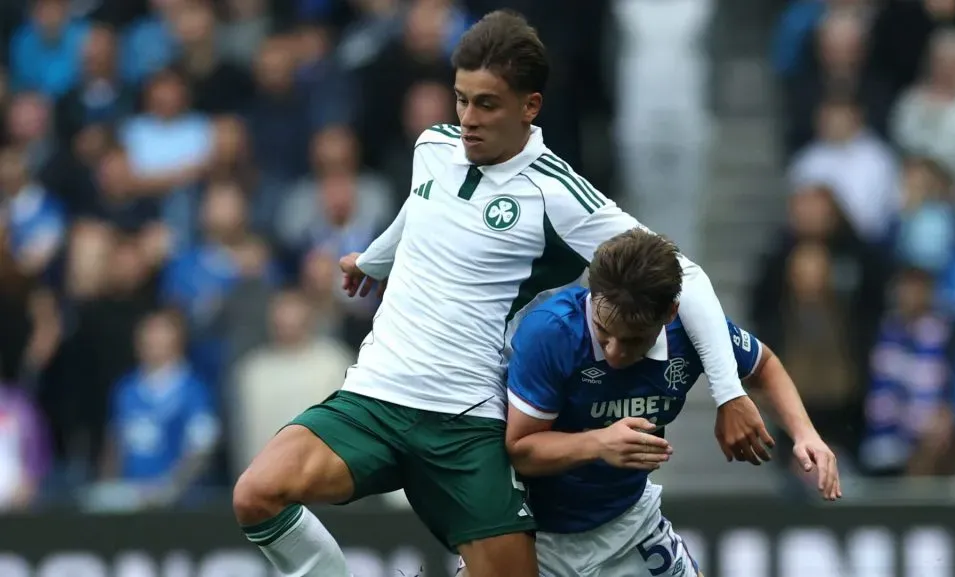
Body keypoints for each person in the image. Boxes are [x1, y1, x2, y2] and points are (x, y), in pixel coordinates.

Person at [232, 10, 772, 577]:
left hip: (465, 422)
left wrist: (730, 393)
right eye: (461, 99)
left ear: (529, 106)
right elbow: (420, 206)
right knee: (257, 494)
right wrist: (372, 259)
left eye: (487, 104)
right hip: (375, 397)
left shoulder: (557, 195)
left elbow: (689, 276)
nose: (468, 119)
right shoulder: (432, 146)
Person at [458, 229, 841, 577]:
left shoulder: (692, 331)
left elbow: (765, 366)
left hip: (629, 526)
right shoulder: (552, 333)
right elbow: (521, 450)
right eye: (604, 331)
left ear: (670, 313)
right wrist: (599, 443)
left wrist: (805, 434)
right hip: (532, 534)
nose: (613, 352)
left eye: (632, 340)